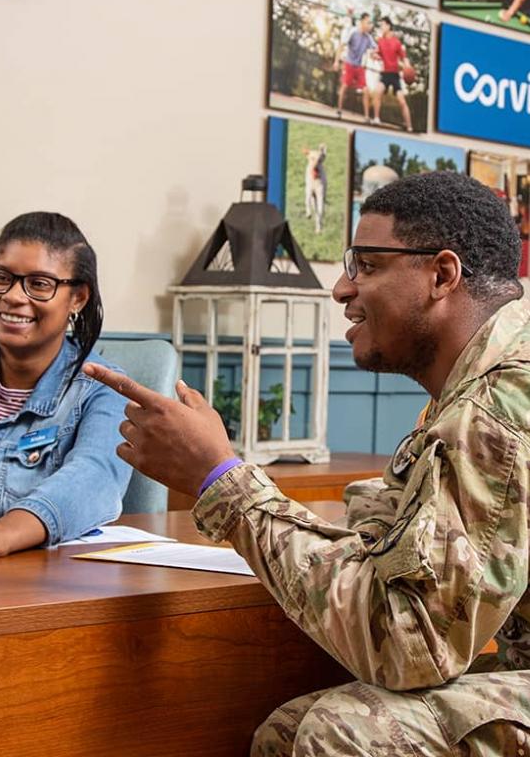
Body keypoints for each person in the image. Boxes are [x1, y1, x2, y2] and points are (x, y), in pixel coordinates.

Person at [85, 171, 530, 755]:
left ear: (442, 275)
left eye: (367, 265)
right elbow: (391, 552)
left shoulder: (499, 402)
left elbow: (410, 645)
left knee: (341, 733)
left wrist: (221, 480)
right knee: (289, 731)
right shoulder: (467, 390)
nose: (341, 289)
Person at [0, 212, 131, 556]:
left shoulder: (104, 390)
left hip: (21, 589)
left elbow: (93, 480)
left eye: (39, 284)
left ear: (78, 298)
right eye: (1, 277)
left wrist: (0, 534)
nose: (12, 296)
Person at [332, 12, 376, 124]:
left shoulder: (368, 38)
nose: (370, 25)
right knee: (345, 86)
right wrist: (336, 61)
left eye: (371, 23)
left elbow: (374, 51)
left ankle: (366, 117)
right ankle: (339, 111)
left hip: (359, 67)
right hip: (349, 64)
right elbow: (341, 46)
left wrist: (376, 55)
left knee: (366, 90)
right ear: (362, 22)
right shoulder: (353, 32)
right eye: (368, 22)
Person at [372, 16, 413, 132]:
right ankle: (376, 118)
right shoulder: (380, 41)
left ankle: (409, 126)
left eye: (383, 25)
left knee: (402, 101)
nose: (381, 27)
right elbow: (376, 53)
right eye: (380, 25)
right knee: (377, 92)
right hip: (385, 74)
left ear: (389, 26)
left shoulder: (396, 42)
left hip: (395, 76)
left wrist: (408, 67)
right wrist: (374, 55)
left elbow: (404, 58)